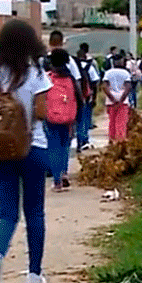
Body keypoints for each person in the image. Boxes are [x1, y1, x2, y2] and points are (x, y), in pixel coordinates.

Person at [0, 19, 52, 283]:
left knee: (6, 212)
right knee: (35, 212)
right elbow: (41, 113)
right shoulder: (35, 74)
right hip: (33, 148)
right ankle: (33, 275)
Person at [43, 30, 82, 189]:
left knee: (53, 145)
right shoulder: (70, 77)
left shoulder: (47, 77)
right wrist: (78, 116)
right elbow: (79, 95)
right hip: (68, 116)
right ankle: (65, 172)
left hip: (51, 116)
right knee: (65, 144)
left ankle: (57, 179)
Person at [73, 45, 100, 152]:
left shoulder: (73, 66)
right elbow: (95, 82)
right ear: (85, 56)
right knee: (85, 118)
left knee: (77, 119)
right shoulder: (90, 67)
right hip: (87, 96)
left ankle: (78, 139)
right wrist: (94, 97)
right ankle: (83, 139)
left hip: (74, 97)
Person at [102, 54, 131, 142]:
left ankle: (112, 140)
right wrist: (121, 100)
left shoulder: (108, 73)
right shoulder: (125, 73)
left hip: (110, 102)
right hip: (123, 102)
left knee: (112, 122)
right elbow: (128, 87)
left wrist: (112, 99)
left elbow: (104, 87)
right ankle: (120, 141)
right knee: (121, 123)